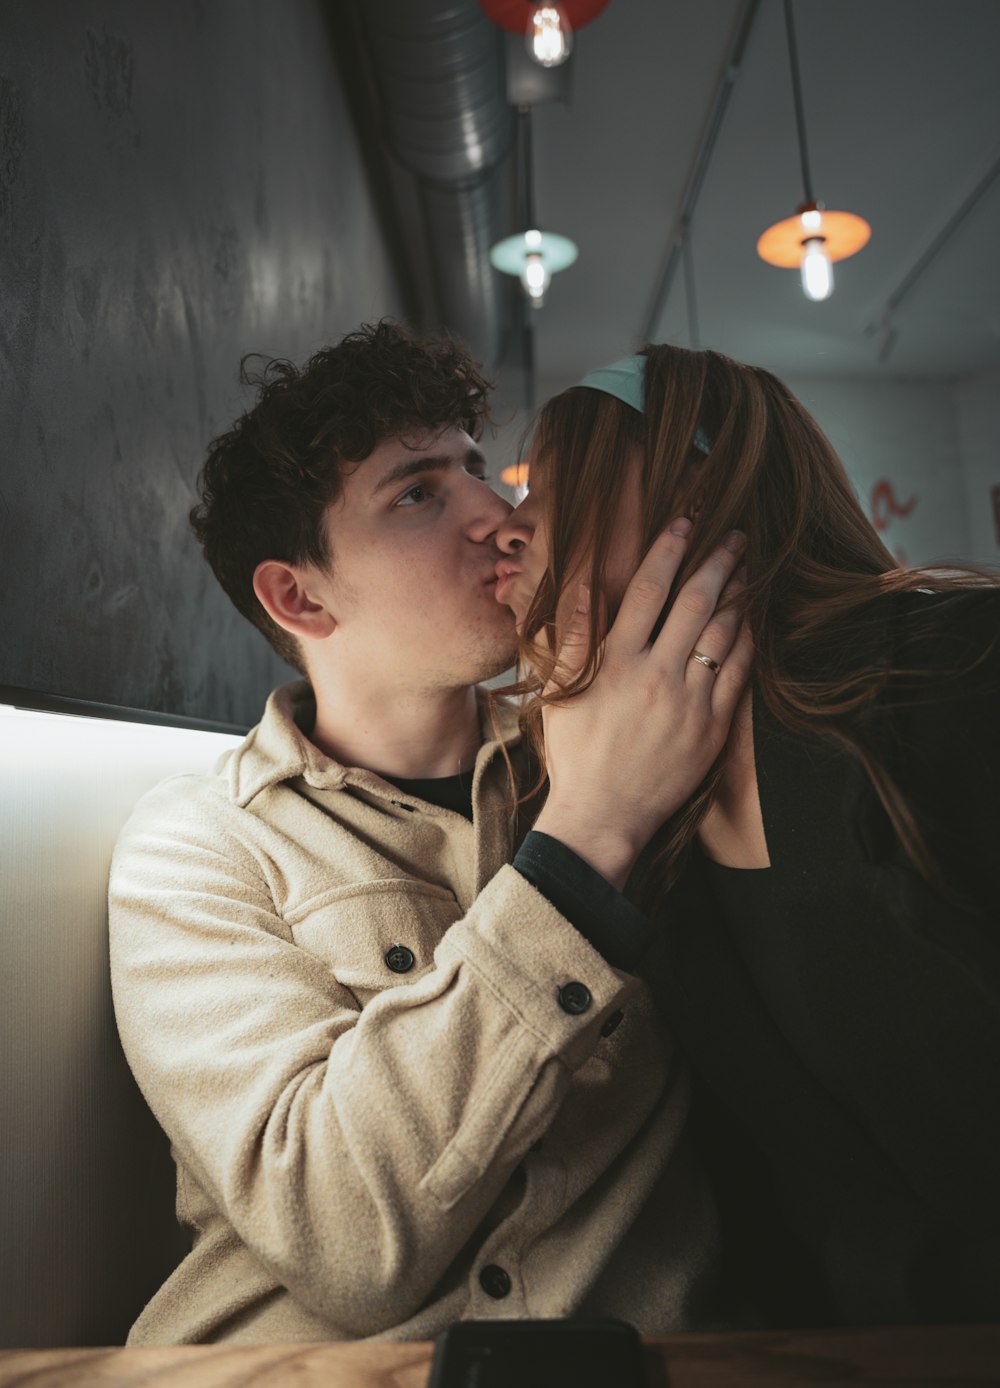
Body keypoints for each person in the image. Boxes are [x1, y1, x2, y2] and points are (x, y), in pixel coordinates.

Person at [107, 321, 753, 1345]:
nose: (499, 516)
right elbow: (340, 1235)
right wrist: (585, 843)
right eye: (417, 493)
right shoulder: (201, 843)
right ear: (298, 594)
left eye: (477, 472)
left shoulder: (632, 745)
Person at [493, 344, 1000, 1328]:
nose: (509, 528)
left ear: (703, 488)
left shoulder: (961, 672)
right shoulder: (638, 826)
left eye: (555, 486)